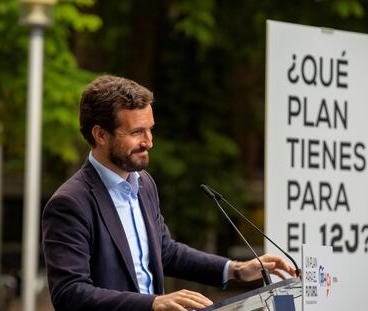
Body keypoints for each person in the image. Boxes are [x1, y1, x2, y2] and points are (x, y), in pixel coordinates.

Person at [42, 75, 295, 311]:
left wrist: (236, 270)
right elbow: (69, 293)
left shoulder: (144, 184)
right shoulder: (70, 203)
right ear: (100, 134)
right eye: (136, 132)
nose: (149, 141)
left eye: (150, 129)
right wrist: (152, 304)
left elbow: (165, 251)